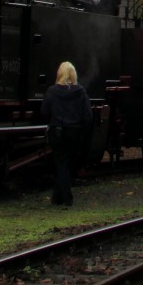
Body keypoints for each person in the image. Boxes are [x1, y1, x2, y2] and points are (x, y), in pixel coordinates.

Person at [41, 61, 92, 206]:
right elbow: (88, 115)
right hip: (74, 132)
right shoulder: (81, 91)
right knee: (67, 163)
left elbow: (44, 111)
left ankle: (64, 197)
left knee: (60, 162)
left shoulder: (52, 91)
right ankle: (59, 197)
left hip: (57, 131)